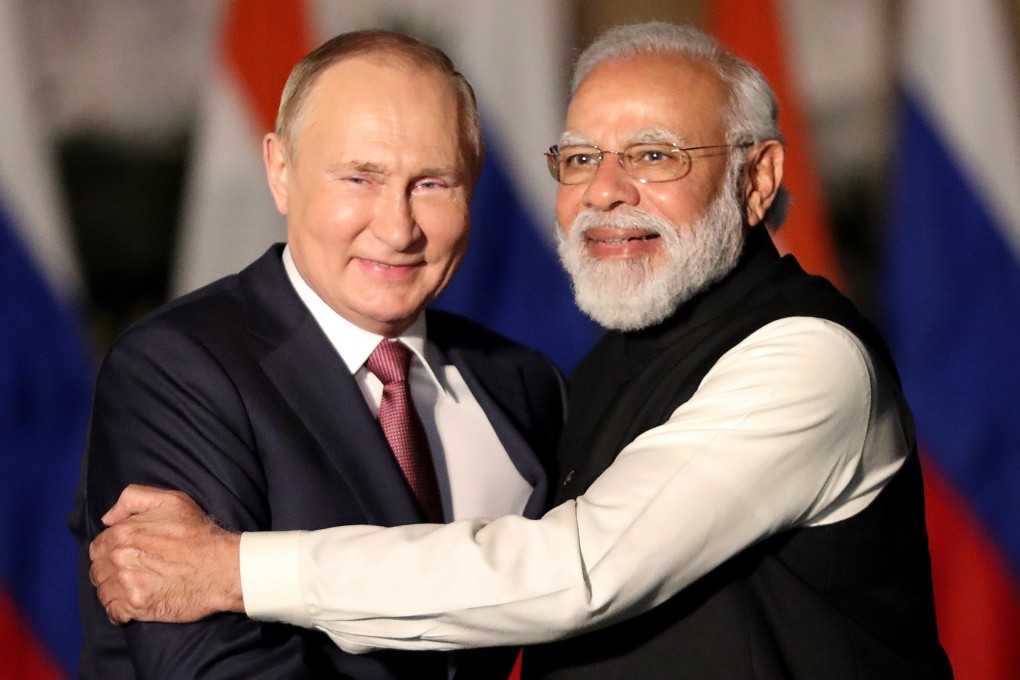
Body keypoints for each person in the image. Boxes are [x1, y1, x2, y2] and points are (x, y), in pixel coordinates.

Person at [89, 22, 953, 679]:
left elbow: (578, 571)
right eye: (580, 158)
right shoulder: (179, 371)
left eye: (654, 155)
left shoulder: (807, 362)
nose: (608, 191)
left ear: (758, 179)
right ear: (278, 171)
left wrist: (237, 567)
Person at [72, 29, 565, 680]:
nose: (397, 228)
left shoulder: (524, 383)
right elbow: (212, 669)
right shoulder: (175, 370)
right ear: (280, 171)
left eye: (432, 184)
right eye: (360, 178)